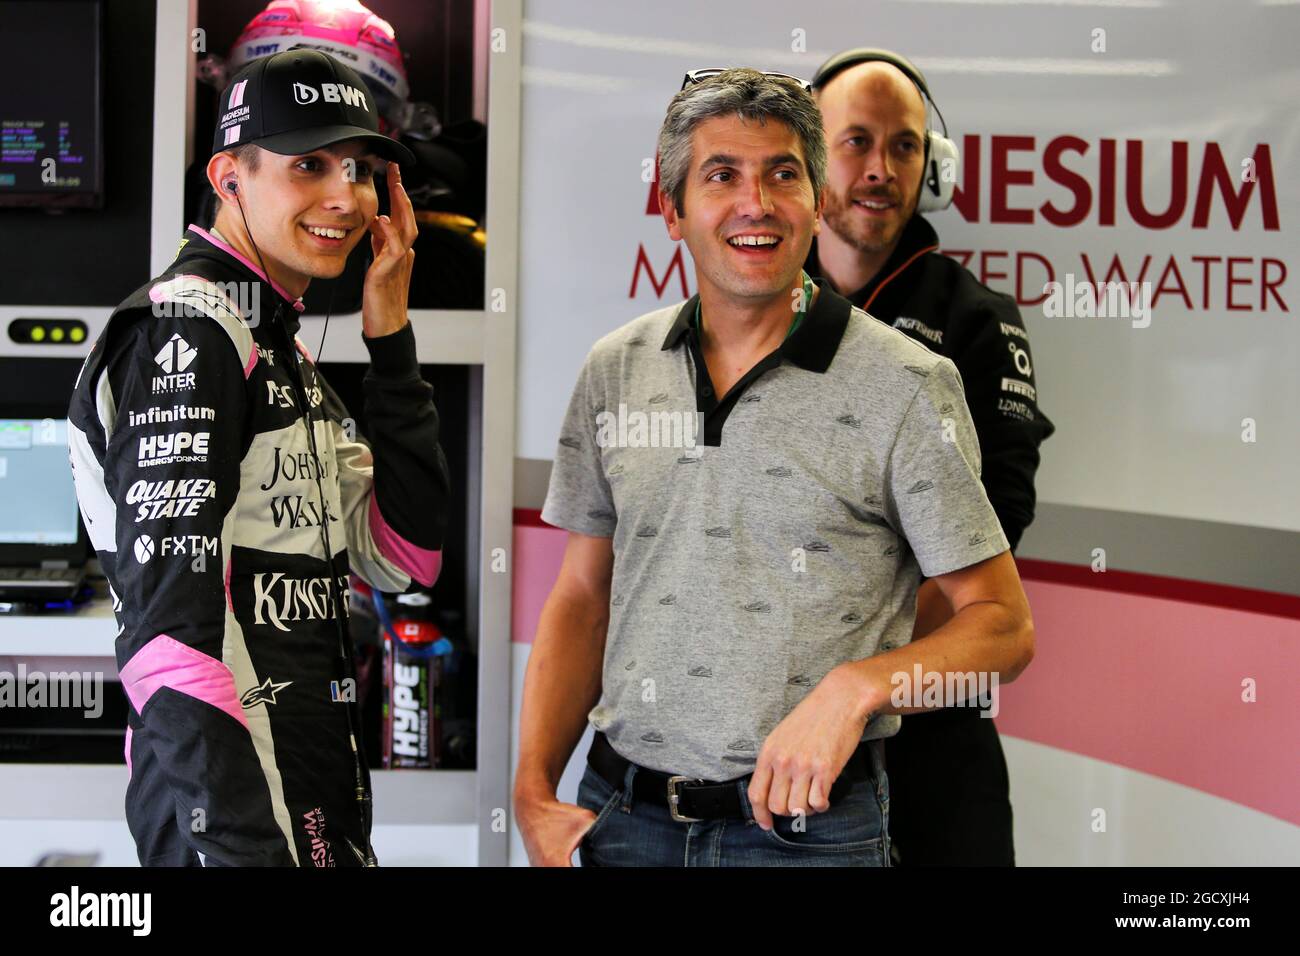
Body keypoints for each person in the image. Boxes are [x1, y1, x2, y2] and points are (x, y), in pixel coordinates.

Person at [514, 68, 1035, 867]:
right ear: (672, 207)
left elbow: (1002, 625)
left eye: (783, 174)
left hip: (809, 833)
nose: (755, 203)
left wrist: (858, 686)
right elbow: (583, 597)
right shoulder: (615, 370)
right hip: (621, 819)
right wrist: (532, 790)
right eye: (722, 175)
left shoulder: (908, 383)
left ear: (816, 199)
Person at [67, 49, 451, 866]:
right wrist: (246, 852)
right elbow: (170, 642)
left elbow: (406, 558)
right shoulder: (190, 330)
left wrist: (390, 342)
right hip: (243, 831)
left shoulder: (272, 341)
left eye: (360, 167)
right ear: (229, 175)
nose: (346, 197)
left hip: (313, 802)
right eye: (308, 164)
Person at [807, 48, 1057, 866]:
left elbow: (996, 531)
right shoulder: (753, 307)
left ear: (932, 164)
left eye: (905, 146)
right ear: (808, 154)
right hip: (779, 733)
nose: (881, 169)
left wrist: (866, 671)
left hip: (934, 731)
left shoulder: (977, 318)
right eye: (856, 142)